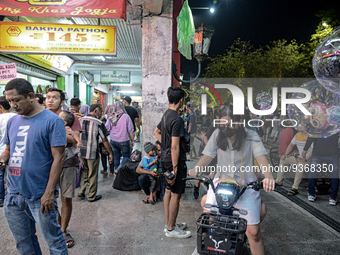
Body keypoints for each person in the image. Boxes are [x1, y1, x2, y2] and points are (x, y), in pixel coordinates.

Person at [189, 104, 275, 255]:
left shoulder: (251, 136)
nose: (226, 128)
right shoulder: (217, 134)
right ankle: (201, 248)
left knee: (253, 232)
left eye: (230, 124)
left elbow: (262, 159)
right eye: (223, 124)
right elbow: (207, 155)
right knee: (207, 220)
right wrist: (196, 169)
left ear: (240, 121)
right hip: (221, 182)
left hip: (245, 187)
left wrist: (268, 177)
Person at [1, 78, 68, 254]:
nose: (13, 105)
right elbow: (9, 150)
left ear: (31, 96)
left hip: (39, 195)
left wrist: (48, 193)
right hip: (14, 194)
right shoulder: (12, 122)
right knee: (24, 244)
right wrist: (2, 159)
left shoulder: (52, 121)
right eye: (9, 101)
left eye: (16, 100)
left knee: (54, 242)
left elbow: (58, 158)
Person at [45, 87, 83, 248]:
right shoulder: (40, 116)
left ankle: (63, 230)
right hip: (46, 164)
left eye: (54, 97)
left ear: (62, 101)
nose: (50, 100)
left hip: (68, 163)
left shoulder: (70, 117)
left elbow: (75, 139)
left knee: (66, 198)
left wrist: (52, 134)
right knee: (48, 198)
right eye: (48, 97)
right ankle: (58, 225)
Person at [154, 86, 192, 238]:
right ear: (181, 100)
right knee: (176, 194)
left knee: (168, 191)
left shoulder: (166, 115)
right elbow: (175, 146)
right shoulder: (176, 119)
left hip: (165, 158)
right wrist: (176, 168)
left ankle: (169, 223)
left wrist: (165, 145)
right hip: (173, 161)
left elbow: (156, 132)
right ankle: (171, 229)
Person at [78, 103, 113, 202]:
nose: (101, 114)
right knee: (92, 174)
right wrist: (110, 153)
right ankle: (91, 196)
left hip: (81, 152)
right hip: (92, 152)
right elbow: (104, 140)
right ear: (96, 111)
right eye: (101, 111)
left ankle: (81, 191)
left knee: (84, 171)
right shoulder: (98, 122)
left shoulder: (80, 120)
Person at [302, 133, 339, 205]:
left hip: (317, 154)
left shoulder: (317, 125)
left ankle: (311, 195)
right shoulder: (336, 125)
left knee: (312, 174)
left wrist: (305, 149)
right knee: (334, 176)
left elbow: (311, 137)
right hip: (332, 154)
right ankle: (333, 198)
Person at [278, 130, 313, 196]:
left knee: (300, 165)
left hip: (309, 160)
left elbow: (314, 151)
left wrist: (305, 159)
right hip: (300, 157)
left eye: (302, 124)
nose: (300, 126)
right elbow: (291, 145)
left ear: (308, 126)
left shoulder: (311, 136)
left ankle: (294, 188)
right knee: (283, 160)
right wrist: (286, 154)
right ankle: (279, 181)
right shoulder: (297, 135)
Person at [105, 101, 134, 172]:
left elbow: (107, 128)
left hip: (113, 140)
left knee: (116, 156)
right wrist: (133, 140)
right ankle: (118, 170)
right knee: (126, 157)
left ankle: (116, 171)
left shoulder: (111, 116)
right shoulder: (126, 116)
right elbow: (130, 130)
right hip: (124, 140)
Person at [0, 96, 16, 207]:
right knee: (13, 173)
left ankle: (1, 197)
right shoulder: (16, 117)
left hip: (2, 151)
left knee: (0, 176)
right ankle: (13, 194)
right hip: (15, 151)